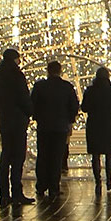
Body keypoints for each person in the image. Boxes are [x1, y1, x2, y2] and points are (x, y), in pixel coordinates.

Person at [0, 48, 34, 207]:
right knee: (17, 158)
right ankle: (16, 193)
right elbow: (23, 97)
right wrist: (30, 112)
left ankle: (4, 194)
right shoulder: (16, 75)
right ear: (15, 59)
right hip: (17, 121)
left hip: (4, 120)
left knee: (5, 156)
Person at [31, 61, 79, 198]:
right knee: (56, 157)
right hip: (60, 127)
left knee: (43, 156)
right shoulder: (67, 87)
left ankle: (41, 185)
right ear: (60, 71)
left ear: (47, 71)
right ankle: (54, 187)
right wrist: (69, 121)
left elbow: (33, 104)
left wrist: (38, 117)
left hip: (44, 127)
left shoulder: (40, 86)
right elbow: (74, 106)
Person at [81, 67, 111, 195]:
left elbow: (84, 107)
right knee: (109, 153)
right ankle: (109, 180)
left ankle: (98, 180)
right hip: (109, 125)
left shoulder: (90, 91)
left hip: (94, 125)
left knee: (95, 154)